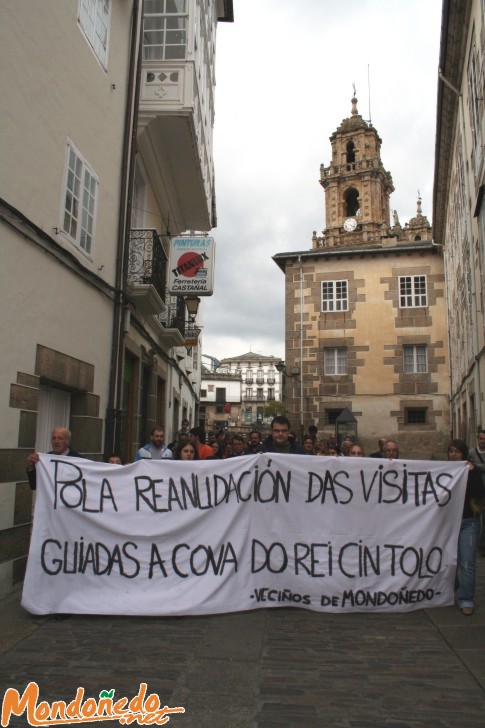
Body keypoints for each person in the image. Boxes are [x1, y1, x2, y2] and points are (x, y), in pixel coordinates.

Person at [448, 439, 485, 616]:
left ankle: (466, 599)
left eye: (457, 451)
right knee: (449, 561)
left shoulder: (474, 472)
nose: (453, 454)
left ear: (464, 453)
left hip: (468, 521)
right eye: (451, 451)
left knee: (467, 562)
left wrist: (471, 473)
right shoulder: (446, 471)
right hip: (449, 524)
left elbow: (479, 494)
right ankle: (449, 590)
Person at [468, 430, 485, 555]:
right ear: (477, 439)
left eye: (484, 439)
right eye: (481, 439)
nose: (483, 441)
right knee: (477, 517)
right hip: (476, 492)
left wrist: (476, 466)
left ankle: (482, 543)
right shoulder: (471, 453)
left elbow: (474, 466)